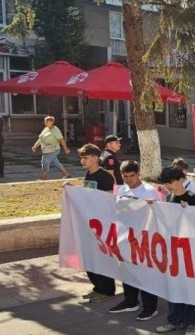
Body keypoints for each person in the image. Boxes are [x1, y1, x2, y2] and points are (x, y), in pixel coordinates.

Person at [154, 167, 195, 335]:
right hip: (173, 248)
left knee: (191, 286)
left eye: (171, 182)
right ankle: (175, 320)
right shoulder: (169, 197)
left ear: (181, 180)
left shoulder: (193, 198)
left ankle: (192, 321)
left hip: (189, 249)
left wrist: (189, 212)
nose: (168, 186)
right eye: (165, 183)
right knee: (174, 285)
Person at [108, 160, 161, 320]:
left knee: (145, 274)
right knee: (127, 271)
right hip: (125, 237)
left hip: (143, 239)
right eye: (125, 176)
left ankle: (150, 307)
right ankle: (130, 301)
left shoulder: (148, 191)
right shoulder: (122, 189)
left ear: (139, 174)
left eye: (132, 176)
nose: (129, 180)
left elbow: (156, 214)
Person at [73, 144, 116, 302]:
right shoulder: (89, 174)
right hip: (89, 223)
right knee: (89, 257)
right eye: (82, 158)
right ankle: (97, 287)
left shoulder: (105, 177)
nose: (82, 161)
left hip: (101, 224)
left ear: (95, 158)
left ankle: (106, 290)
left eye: (85, 158)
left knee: (101, 259)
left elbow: (109, 198)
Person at [32, 116, 70, 180]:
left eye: (47, 121)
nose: (45, 123)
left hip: (54, 149)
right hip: (46, 150)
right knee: (55, 163)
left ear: (52, 122)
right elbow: (40, 139)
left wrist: (66, 149)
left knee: (45, 161)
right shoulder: (45, 129)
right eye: (45, 121)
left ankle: (43, 177)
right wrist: (35, 146)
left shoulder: (56, 130)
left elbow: (61, 140)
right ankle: (66, 174)